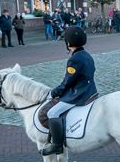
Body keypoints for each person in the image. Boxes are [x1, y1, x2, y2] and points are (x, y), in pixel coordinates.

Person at [40, 27, 98, 155]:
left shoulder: (74, 59)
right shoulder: (86, 55)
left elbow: (67, 82)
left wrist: (53, 93)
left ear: (69, 43)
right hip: (90, 89)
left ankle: (57, 145)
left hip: (79, 94)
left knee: (52, 113)